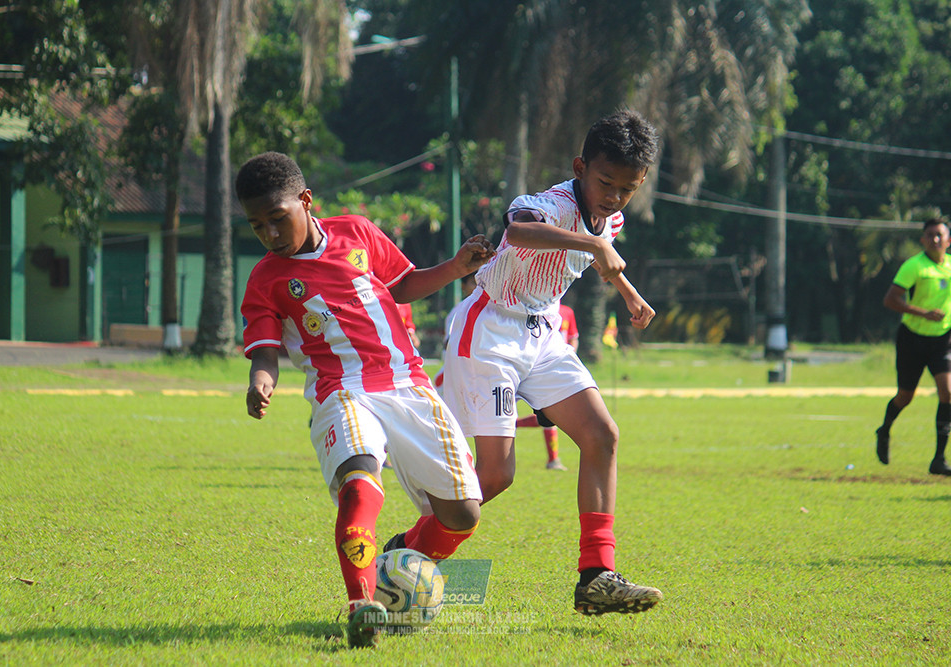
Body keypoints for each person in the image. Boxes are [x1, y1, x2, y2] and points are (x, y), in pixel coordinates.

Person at [235, 152, 496, 648]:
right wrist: (261, 380)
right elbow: (264, 350)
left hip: (408, 385)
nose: (269, 233)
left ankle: (394, 557)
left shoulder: (356, 231)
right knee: (358, 484)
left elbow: (403, 286)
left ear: (305, 200)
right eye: (256, 225)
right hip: (341, 390)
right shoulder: (266, 279)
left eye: (277, 218)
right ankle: (363, 605)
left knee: (463, 513)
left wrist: (456, 267)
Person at [441, 110, 664, 616]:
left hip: (542, 332)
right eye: (605, 182)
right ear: (580, 167)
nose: (614, 197)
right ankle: (406, 549)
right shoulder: (552, 204)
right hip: (490, 329)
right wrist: (594, 243)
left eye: (627, 189)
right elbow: (520, 232)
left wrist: (628, 293)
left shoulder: (610, 219)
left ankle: (596, 576)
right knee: (495, 477)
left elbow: (597, 255)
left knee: (602, 435)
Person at [875, 216, 951, 476]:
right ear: (922, 239)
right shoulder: (914, 266)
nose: (935, 239)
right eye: (930, 235)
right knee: (905, 396)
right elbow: (890, 300)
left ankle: (939, 459)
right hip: (912, 339)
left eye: (940, 235)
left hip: (942, 340)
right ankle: (884, 430)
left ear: (948, 240)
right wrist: (923, 313)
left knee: (947, 393)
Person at [515, 302, 580, 470]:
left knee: (552, 415)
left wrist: (568, 357)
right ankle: (553, 459)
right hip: (534, 364)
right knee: (549, 414)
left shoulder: (567, 311)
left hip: (558, 366)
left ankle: (553, 459)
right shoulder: (534, 308)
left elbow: (572, 337)